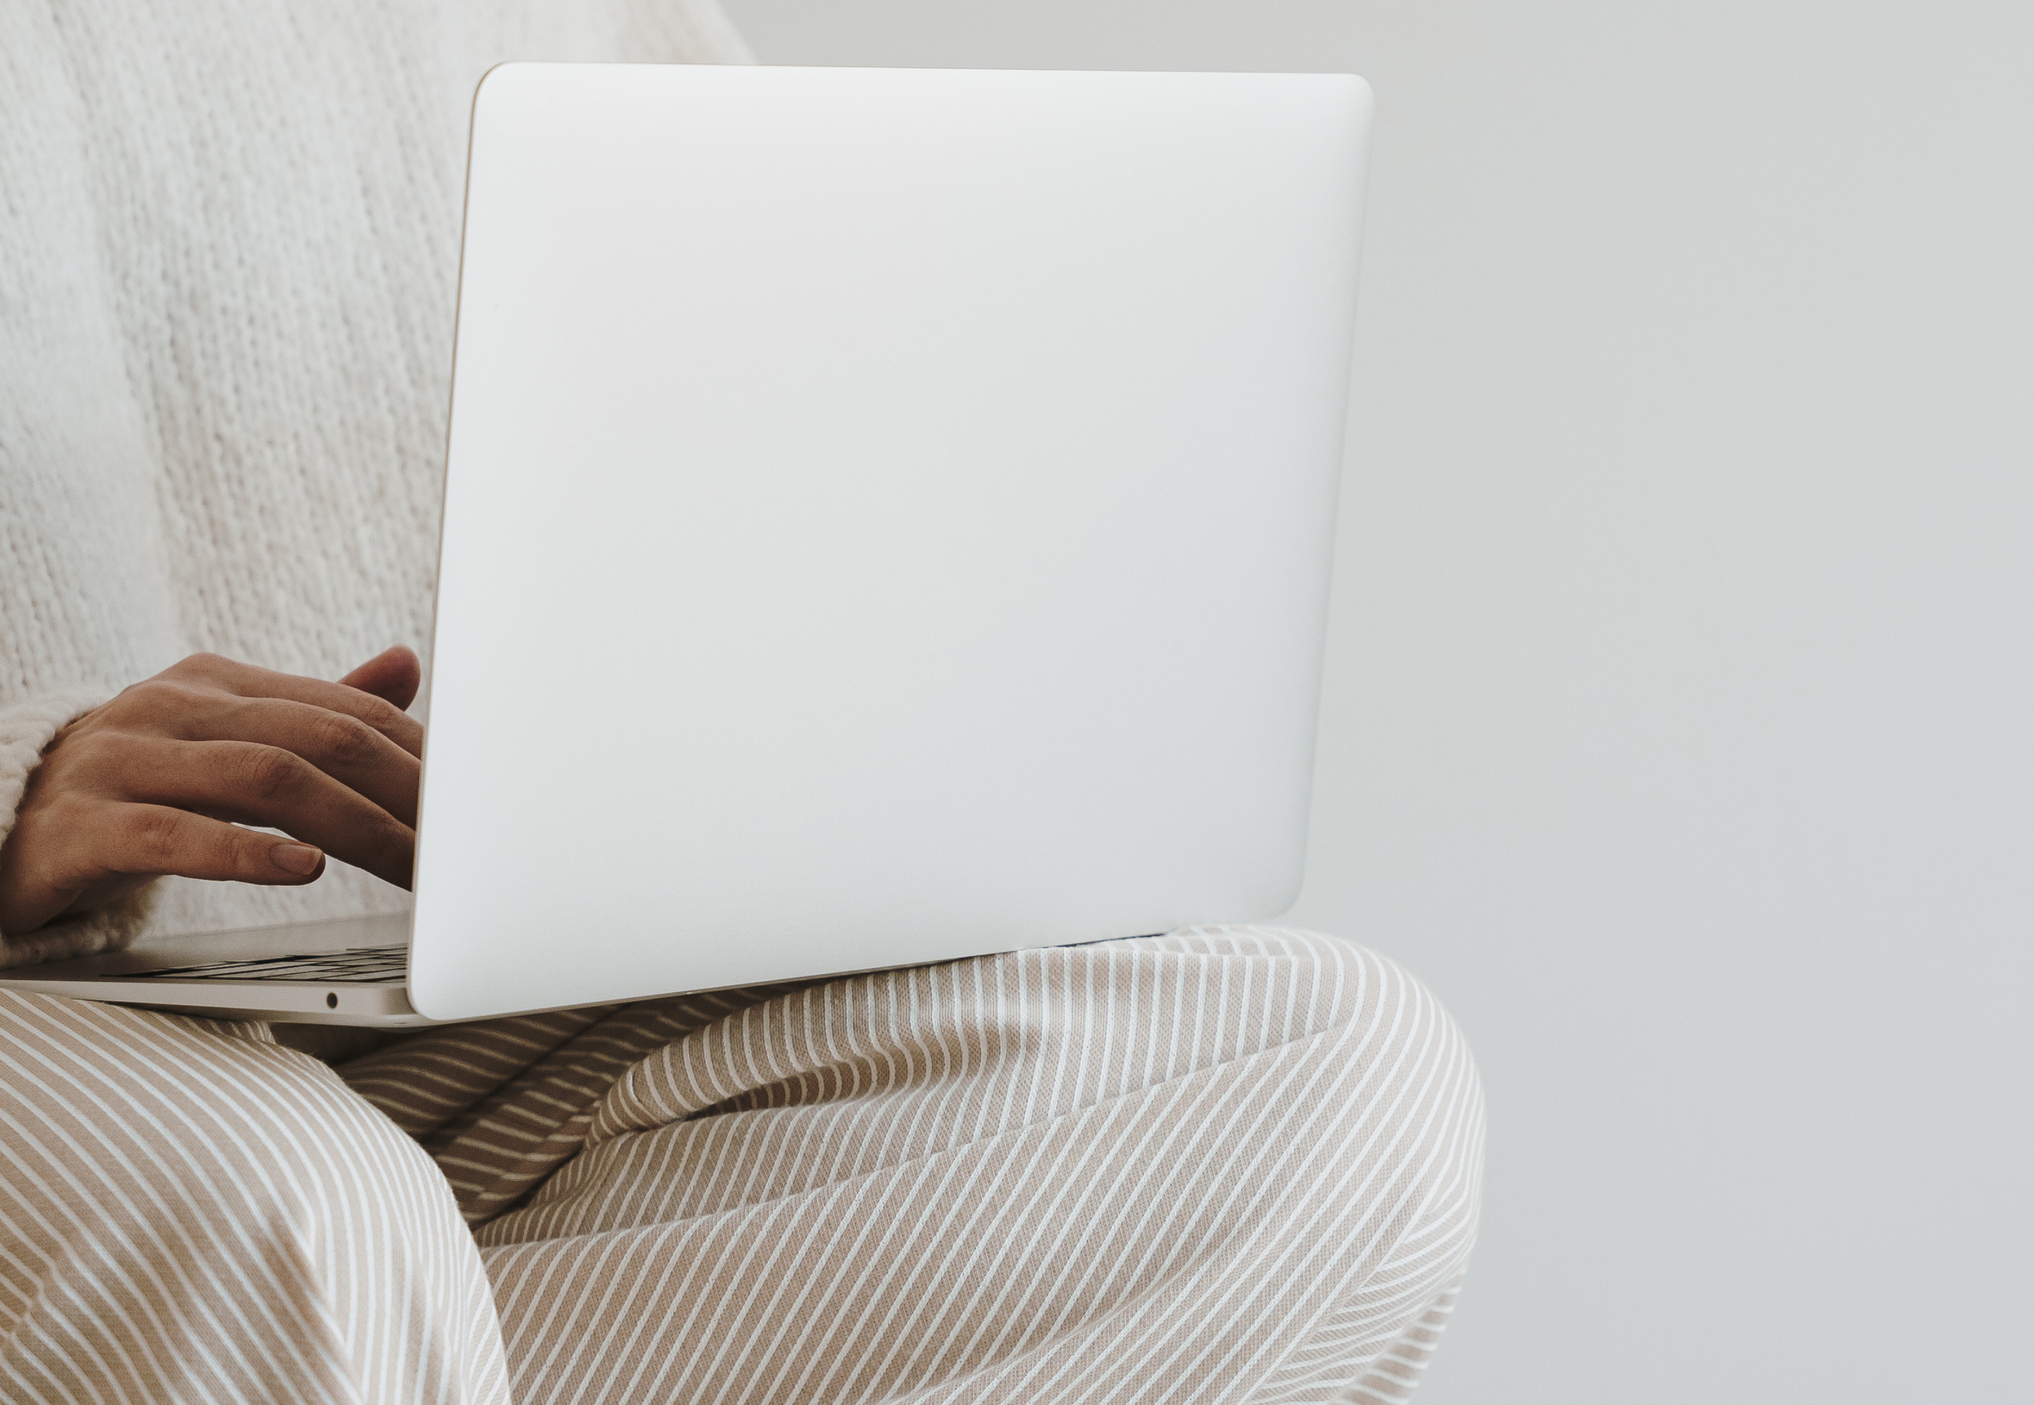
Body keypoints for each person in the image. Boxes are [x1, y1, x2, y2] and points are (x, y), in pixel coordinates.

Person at [0, 3, 1483, 1401]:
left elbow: (773, 439)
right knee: (278, 1209)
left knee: (1330, 1079)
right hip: (71, 1036)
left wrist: (816, 778)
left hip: (437, 980)